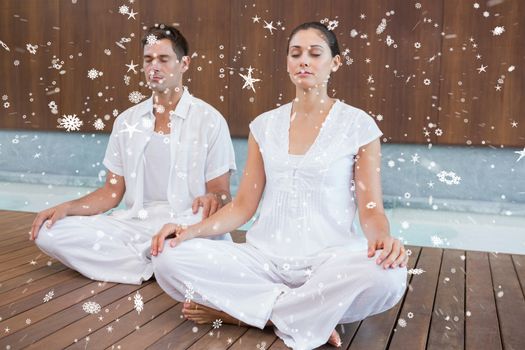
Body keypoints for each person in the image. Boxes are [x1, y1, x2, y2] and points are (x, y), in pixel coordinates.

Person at [150, 22, 407, 349]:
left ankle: (244, 314)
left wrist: (384, 239)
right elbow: (243, 206)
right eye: (295, 54)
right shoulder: (264, 125)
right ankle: (306, 314)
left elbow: (371, 211)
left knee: (389, 275)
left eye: (315, 54)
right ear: (286, 61)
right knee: (168, 258)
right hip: (263, 261)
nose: (304, 61)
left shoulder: (358, 126)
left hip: (328, 264)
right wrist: (188, 231)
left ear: (335, 62)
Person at [30, 24, 236, 285]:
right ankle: (156, 260)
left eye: (164, 59)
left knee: (187, 239)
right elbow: (111, 193)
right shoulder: (127, 121)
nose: (154, 67)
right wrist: (67, 208)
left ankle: (156, 255)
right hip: (134, 226)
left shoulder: (210, 120)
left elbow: (221, 193)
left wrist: (211, 199)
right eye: (148, 60)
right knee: (49, 233)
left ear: (184, 64)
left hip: (185, 224)